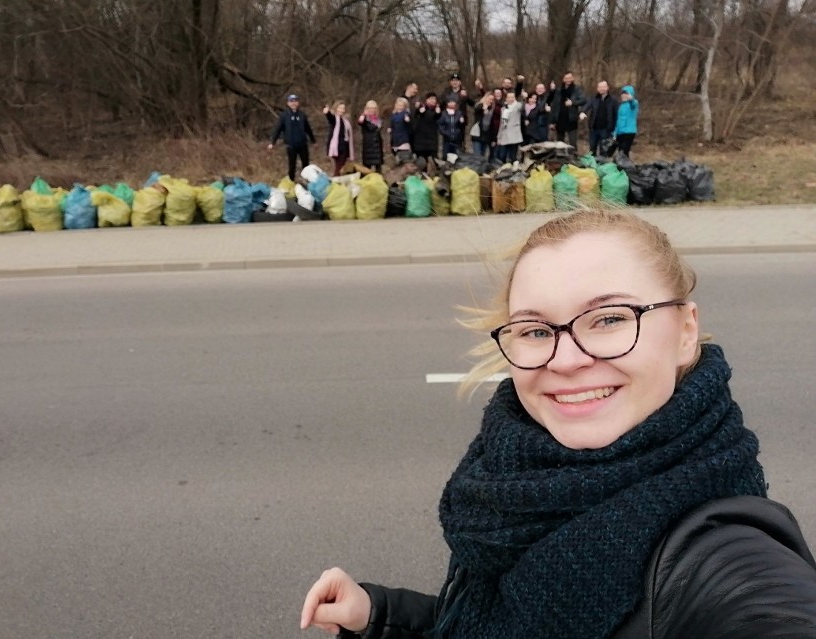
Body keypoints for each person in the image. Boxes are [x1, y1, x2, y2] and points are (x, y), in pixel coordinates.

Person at [300, 209, 816, 639]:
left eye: (611, 318)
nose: (565, 360)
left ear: (685, 331)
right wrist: (379, 615)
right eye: (535, 329)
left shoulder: (725, 558)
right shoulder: (516, 487)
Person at [268, 94, 317, 180]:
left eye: (295, 101)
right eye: (291, 101)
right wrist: (272, 142)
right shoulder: (284, 116)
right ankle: (291, 182)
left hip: (303, 144)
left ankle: (308, 182)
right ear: (288, 103)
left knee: (306, 165)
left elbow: (308, 129)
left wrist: (314, 141)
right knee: (292, 166)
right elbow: (278, 129)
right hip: (291, 145)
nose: (294, 103)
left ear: (298, 103)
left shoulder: (302, 115)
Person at [580, 80, 618, 156]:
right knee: (592, 149)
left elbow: (616, 114)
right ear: (597, 88)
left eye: (603, 87)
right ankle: (592, 166)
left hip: (606, 129)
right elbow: (587, 106)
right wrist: (582, 112)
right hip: (594, 129)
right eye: (600, 87)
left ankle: (602, 166)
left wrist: (615, 129)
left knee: (603, 150)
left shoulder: (613, 100)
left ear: (607, 88)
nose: (602, 89)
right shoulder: (593, 98)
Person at [549, 71, 586, 148]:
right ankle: (561, 158)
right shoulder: (559, 91)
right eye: (566, 78)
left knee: (572, 143)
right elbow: (554, 106)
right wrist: (552, 121)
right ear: (563, 79)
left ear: (572, 78)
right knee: (560, 143)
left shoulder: (577, 89)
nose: (568, 80)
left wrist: (573, 102)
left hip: (571, 119)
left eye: (570, 78)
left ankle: (574, 158)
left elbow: (583, 100)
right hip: (559, 119)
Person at [322, 101, 354, 177]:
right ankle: (336, 181)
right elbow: (330, 118)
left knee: (341, 166)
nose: (342, 110)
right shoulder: (335, 119)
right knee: (339, 167)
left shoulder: (345, 121)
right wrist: (327, 113)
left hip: (344, 147)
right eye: (340, 108)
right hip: (336, 147)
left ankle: (338, 180)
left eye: (343, 108)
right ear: (336, 108)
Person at [412, 92, 441, 165]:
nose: (432, 100)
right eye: (430, 99)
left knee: (435, 161)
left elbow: (438, 119)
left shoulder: (438, 110)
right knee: (422, 162)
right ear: (426, 100)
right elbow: (415, 117)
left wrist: (438, 113)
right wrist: (418, 110)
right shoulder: (421, 109)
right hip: (421, 140)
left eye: (434, 99)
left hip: (432, 140)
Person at [611, 85, 640, 158]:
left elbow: (634, 103)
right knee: (620, 152)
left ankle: (626, 167)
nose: (623, 96)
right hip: (620, 132)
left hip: (629, 132)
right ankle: (624, 166)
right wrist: (615, 133)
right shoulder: (621, 106)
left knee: (624, 152)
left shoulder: (633, 104)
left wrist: (631, 99)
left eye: (626, 94)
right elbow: (618, 120)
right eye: (622, 94)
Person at [495, 90, 523, 163]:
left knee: (513, 156)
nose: (510, 99)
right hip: (505, 134)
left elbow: (521, 106)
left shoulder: (517, 106)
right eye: (509, 97)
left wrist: (523, 96)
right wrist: (499, 137)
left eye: (512, 97)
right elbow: (502, 123)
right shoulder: (503, 109)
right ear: (506, 98)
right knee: (502, 155)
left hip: (514, 134)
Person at [357, 100, 384, 172]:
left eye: (373, 108)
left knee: (378, 169)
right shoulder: (365, 119)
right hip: (368, 147)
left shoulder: (379, 120)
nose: (372, 110)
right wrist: (363, 115)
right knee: (367, 169)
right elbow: (360, 122)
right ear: (366, 109)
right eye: (370, 108)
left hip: (377, 147)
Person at [470, 92, 497, 159]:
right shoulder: (479, 105)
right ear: (485, 98)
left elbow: (492, 125)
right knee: (477, 155)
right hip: (477, 134)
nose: (490, 101)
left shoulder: (492, 109)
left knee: (483, 155)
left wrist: (494, 138)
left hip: (486, 135)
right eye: (489, 99)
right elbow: (477, 109)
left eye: (492, 99)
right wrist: (483, 107)